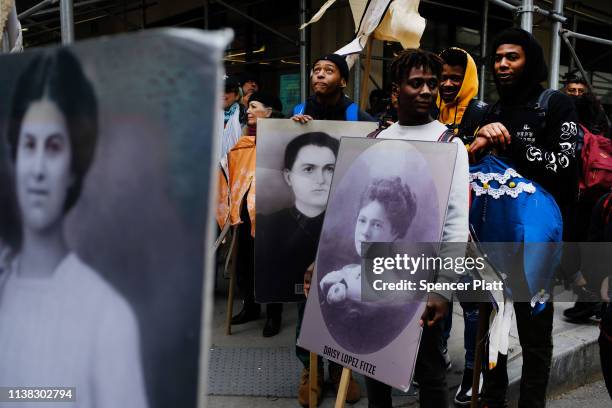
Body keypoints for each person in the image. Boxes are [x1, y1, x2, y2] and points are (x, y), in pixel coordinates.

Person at [0, 49, 147, 407]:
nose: (36, 169)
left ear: (73, 166)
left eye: (53, 148)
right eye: (28, 145)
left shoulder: (106, 316)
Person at [470, 27, 579, 408]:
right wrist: (478, 137)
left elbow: (566, 165)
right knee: (486, 328)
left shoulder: (556, 104)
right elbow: (464, 167)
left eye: (511, 57)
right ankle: (492, 399)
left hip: (535, 244)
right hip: (490, 240)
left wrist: (516, 143)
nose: (502, 64)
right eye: (497, 58)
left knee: (534, 333)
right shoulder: (487, 111)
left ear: (529, 61)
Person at [364, 48, 470, 408]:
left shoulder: (451, 145)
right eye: (416, 83)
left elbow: (456, 222)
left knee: (429, 372)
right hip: (378, 271)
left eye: (432, 83)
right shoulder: (376, 141)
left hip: (425, 275)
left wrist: (443, 289)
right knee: (374, 363)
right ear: (396, 91)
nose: (426, 90)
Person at [437, 46, 488, 405]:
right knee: (437, 293)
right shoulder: (429, 110)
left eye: (456, 77)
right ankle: (438, 352)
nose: (448, 83)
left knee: (471, 301)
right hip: (432, 219)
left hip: (471, 223)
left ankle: (474, 372)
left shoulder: (482, 113)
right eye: (443, 77)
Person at [226, 92, 285, 337]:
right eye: (247, 106)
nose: (248, 110)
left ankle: (274, 314)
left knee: (270, 264)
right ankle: (249, 307)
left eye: (253, 106)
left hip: (271, 213)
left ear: (269, 112)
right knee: (245, 265)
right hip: (244, 214)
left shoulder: (282, 141)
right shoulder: (244, 142)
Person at [291, 53, 375, 123]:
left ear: (343, 82)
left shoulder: (355, 116)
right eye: (316, 70)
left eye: (329, 71)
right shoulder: (298, 111)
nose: (320, 75)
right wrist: (289, 127)